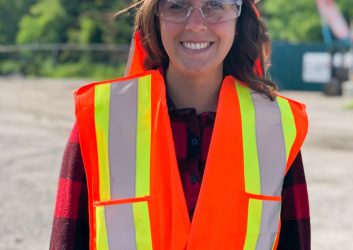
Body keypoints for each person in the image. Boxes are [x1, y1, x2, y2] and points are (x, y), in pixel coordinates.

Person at [50, 0, 310, 249]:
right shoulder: (103, 123)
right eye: (177, 4)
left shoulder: (273, 130)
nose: (196, 24)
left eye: (216, 5)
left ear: (240, 18)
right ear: (155, 16)